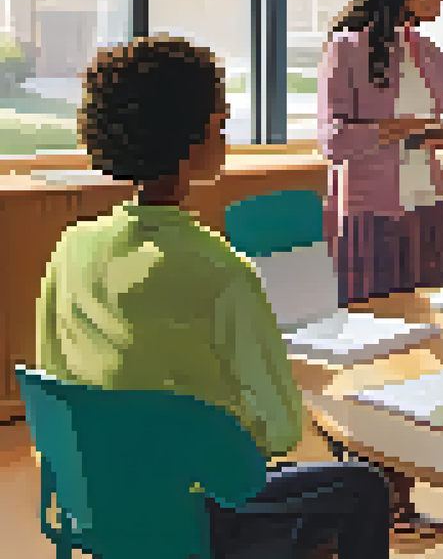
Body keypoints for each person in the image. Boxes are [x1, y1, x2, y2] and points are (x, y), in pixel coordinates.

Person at [36, 36, 391, 559]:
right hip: (194, 515)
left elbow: (53, 369)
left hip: (97, 500)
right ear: (197, 134)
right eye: (220, 116)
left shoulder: (72, 248)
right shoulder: (221, 271)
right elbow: (280, 430)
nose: (225, 117)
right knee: (360, 485)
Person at [317, 0, 443, 542]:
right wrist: (395, 128)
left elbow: (422, 131)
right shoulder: (347, 48)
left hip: (428, 208)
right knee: (377, 359)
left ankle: (403, 497)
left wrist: (437, 133)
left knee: (434, 348)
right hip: (369, 216)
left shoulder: (429, 53)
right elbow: (333, 143)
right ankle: (376, 505)